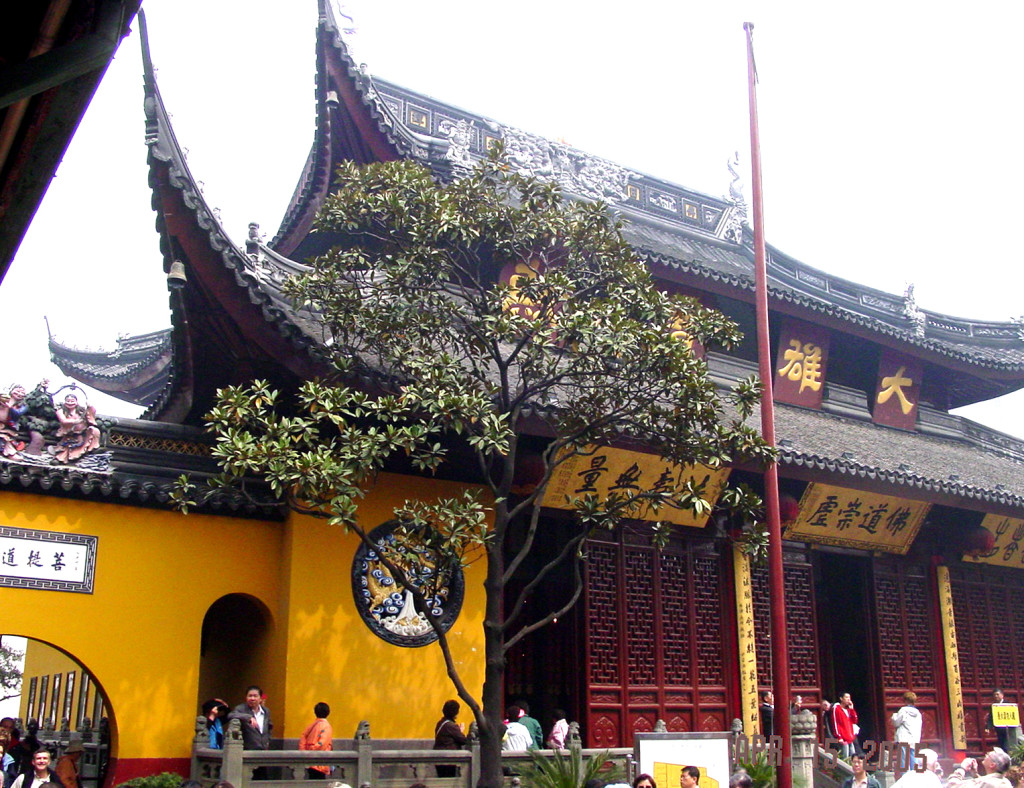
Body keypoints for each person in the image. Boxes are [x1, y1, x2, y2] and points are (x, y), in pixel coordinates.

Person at [229, 686, 273, 751]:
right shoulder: (241, 709)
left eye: (255, 696)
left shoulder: (266, 711)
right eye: (250, 696)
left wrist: (268, 740)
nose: (252, 698)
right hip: (248, 750)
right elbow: (231, 715)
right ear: (246, 698)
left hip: (264, 749)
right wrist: (248, 717)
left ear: (260, 698)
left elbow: (269, 727)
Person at [433, 699, 467, 778]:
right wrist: (461, 730)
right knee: (448, 779)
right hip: (448, 757)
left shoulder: (441, 723)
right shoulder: (451, 725)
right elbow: (463, 740)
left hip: (439, 756)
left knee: (442, 779)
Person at [299, 702, 333, 779]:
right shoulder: (326, 726)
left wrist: (304, 751)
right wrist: (313, 749)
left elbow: (303, 736)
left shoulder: (312, 725)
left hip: (310, 761)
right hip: (320, 762)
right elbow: (322, 744)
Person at [892, 691, 922, 771]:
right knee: (913, 757)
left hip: (903, 737)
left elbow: (896, 722)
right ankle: (915, 775)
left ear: (905, 700)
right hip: (914, 738)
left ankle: (904, 777)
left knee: (903, 759)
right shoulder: (918, 713)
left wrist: (894, 716)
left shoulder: (903, 710)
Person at [831, 693, 859, 758]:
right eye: (846, 697)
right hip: (843, 738)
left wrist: (852, 709)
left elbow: (854, 721)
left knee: (853, 756)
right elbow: (835, 723)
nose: (848, 699)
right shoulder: (836, 708)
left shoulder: (848, 710)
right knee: (845, 757)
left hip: (850, 737)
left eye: (849, 698)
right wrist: (839, 737)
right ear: (841, 698)